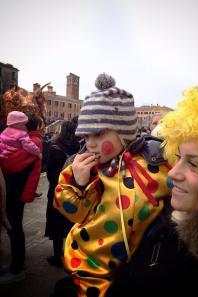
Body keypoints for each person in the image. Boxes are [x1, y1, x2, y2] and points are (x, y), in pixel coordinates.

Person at [53, 73, 171, 297]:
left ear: (123, 133)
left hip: (137, 266)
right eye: (86, 136)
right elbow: (74, 214)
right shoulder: (81, 165)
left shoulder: (153, 161)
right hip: (88, 261)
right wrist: (78, 183)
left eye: (97, 134)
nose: (90, 144)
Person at [106, 81, 198, 295]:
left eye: (194, 163)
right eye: (178, 157)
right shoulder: (166, 218)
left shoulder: (197, 268)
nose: (172, 173)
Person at [0, 113, 43, 284]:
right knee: (13, 227)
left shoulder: (33, 142)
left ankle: (17, 269)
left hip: (17, 191)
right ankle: (14, 264)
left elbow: (12, 165)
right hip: (17, 189)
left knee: (15, 227)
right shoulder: (28, 141)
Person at [45, 120, 80, 267]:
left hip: (57, 191)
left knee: (56, 224)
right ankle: (71, 255)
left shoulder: (55, 148)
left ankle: (57, 256)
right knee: (73, 223)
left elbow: (50, 173)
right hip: (76, 191)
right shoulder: (80, 147)